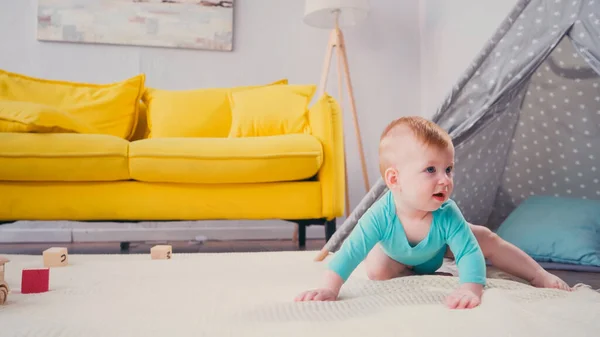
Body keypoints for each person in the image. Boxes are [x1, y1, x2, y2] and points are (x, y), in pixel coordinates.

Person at [294, 116, 570, 309]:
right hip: (396, 253)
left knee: (484, 239)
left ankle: (537, 274)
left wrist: (470, 286)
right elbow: (351, 250)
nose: (445, 179)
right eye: (431, 170)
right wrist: (330, 287)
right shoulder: (380, 214)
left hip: (440, 249)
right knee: (376, 270)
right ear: (394, 180)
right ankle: (415, 270)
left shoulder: (447, 212)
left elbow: (468, 253)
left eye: (448, 169)